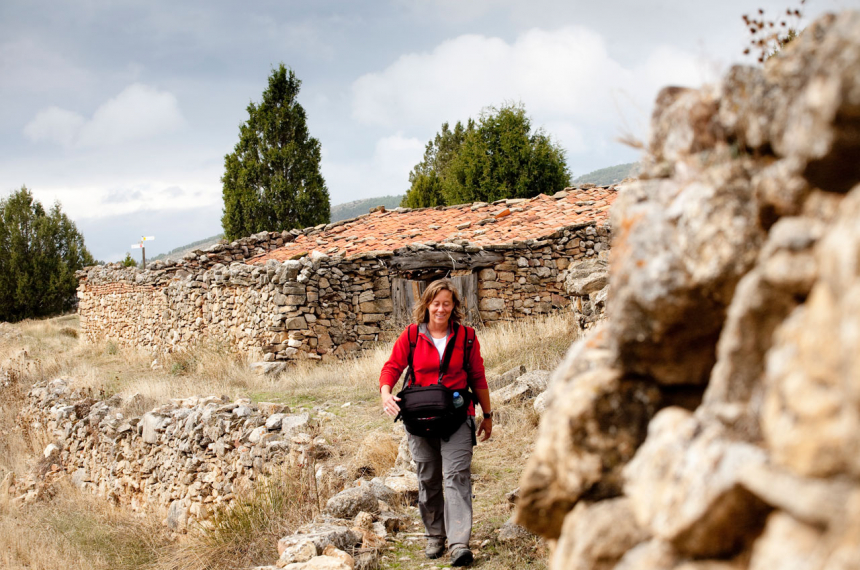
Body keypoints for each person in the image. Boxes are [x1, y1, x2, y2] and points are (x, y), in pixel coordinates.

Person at [379, 279, 493, 567]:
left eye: (446, 303)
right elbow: (392, 367)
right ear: (427, 304)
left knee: (456, 476)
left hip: (457, 416)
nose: (441, 308)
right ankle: (434, 536)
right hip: (420, 418)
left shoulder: (467, 336)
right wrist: (385, 393)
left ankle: (458, 544)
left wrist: (488, 415)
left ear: (454, 305)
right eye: (435, 303)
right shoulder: (412, 335)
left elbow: (478, 377)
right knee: (428, 478)